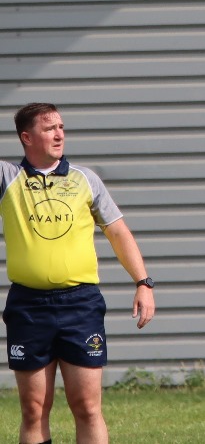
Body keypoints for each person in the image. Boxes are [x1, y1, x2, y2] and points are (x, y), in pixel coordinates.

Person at [1, 103, 155, 444]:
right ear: (26, 137)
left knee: (87, 407)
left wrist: (143, 283)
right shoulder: (8, 177)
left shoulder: (85, 179)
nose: (59, 134)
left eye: (61, 127)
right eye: (49, 128)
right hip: (28, 306)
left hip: (80, 304)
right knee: (33, 409)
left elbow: (118, 232)